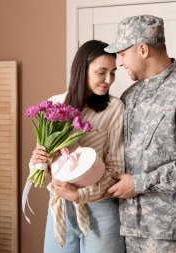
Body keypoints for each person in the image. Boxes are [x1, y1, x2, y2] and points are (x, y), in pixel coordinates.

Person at [104, 15, 176, 252]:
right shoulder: (129, 97)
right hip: (129, 230)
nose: (120, 63)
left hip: (172, 236)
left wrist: (138, 183)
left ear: (143, 49)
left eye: (123, 54)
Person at [30, 40, 125, 253]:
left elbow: (116, 170)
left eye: (113, 72)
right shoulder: (55, 103)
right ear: (82, 70)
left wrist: (80, 195)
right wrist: (37, 161)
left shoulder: (114, 108)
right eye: (102, 72)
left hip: (99, 208)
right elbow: (43, 167)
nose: (109, 80)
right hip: (60, 209)